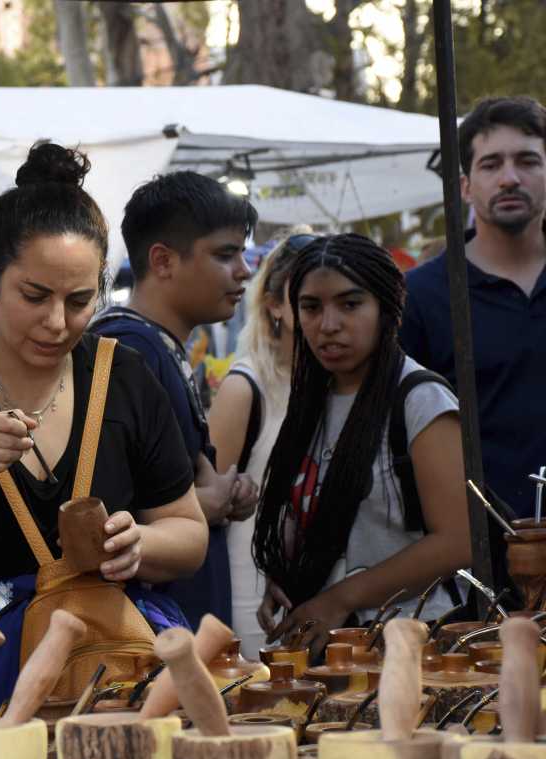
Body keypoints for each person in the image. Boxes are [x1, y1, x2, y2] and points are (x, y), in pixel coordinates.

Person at [0, 142, 207, 704]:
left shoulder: (124, 375)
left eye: (79, 300)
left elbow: (188, 533)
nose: (56, 323)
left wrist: (139, 541)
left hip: (106, 693)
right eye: (34, 295)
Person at [253, 234, 472, 655]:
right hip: (330, 651)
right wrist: (289, 576)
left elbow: (459, 540)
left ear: (385, 309)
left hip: (414, 646)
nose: (328, 324)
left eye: (350, 304)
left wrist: (342, 598)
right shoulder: (312, 403)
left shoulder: (420, 399)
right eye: (311, 307)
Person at [89, 171, 259, 627]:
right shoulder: (129, 352)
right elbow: (107, 515)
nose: (244, 270)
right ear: (163, 261)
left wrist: (217, 493)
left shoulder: (152, 346)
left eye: (242, 254)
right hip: (151, 631)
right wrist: (211, 501)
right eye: (226, 254)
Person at [401, 96, 546, 520]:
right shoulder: (422, 296)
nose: (509, 179)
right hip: (477, 556)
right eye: (491, 164)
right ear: (465, 185)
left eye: (528, 161)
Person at [207, 229, 311, 658]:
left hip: (326, 597)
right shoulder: (245, 388)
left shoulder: (339, 386)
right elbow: (211, 508)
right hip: (251, 603)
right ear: (274, 304)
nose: (323, 314)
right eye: (306, 297)